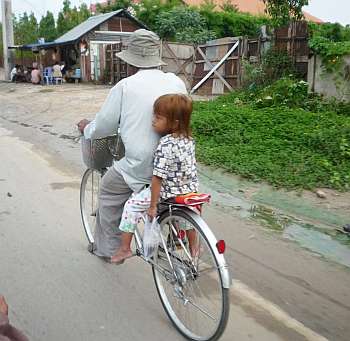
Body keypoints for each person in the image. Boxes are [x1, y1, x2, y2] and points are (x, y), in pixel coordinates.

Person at [77, 29, 187, 258]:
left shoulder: (126, 86)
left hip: (143, 163)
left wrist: (87, 127)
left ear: (131, 61)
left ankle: (108, 249)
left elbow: (105, 126)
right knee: (175, 190)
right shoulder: (176, 82)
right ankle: (178, 232)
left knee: (108, 191)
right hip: (179, 161)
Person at [110, 94, 198, 264]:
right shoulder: (189, 140)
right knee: (188, 217)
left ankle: (124, 248)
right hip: (189, 190)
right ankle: (195, 248)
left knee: (131, 206)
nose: (153, 120)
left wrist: (152, 205)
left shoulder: (165, 144)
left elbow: (158, 178)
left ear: (174, 123)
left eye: (158, 117)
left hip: (167, 193)